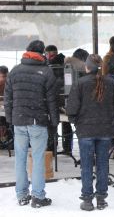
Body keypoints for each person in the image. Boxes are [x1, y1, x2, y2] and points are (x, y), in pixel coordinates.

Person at [4, 40, 59, 208]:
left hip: (19, 121)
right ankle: (38, 196)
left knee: (19, 158)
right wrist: (54, 122)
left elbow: (8, 98)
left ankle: (21, 195)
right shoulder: (46, 72)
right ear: (42, 53)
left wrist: (9, 118)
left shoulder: (14, 71)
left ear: (27, 51)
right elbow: (52, 101)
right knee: (37, 158)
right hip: (38, 121)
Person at [66, 54, 114, 211]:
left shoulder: (80, 83)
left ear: (87, 67)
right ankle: (101, 199)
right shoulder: (111, 83)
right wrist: (110, 120)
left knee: (86, 165)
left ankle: (87, 199)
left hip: (85, 130)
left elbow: (71, 109)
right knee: (103, 164)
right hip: (104, 130)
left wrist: (76, 121)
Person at [44, 45, 67, 153]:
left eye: (52, 55)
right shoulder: (46, 65)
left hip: (59, 98)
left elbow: (64, 81)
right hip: (56, 98)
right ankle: (54, 146)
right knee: (52, 124)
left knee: (55, 124)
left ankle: (62, 147)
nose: (49, 57)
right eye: (48, 54)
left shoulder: (63, 64)